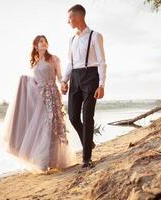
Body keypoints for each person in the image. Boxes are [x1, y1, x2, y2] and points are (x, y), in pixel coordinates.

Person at [3, 35, 75, 172]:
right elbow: (35, 81)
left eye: (45, 41)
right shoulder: (35, 62)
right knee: (42, 127)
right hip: (39, 97)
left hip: (52, 96)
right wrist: (25, 81)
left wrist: (64, 84)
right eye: (41, 41)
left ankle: (52, 161)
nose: (44, 43)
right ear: (35, 45)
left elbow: (59, 77)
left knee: (52, 126)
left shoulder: (53, 59)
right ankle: (43, 161)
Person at [61, 4, 107, 168]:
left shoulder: (95, 36)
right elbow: (69, 62)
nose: (68, 21)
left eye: (69, 18)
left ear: (77, 17)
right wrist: (64, 80)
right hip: (75, 77)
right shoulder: (72, 39)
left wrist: (101, 84)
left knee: (87, 117)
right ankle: (89, 142)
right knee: (73, 116)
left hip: (91, 77)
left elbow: (102, 62)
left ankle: (86, 158)